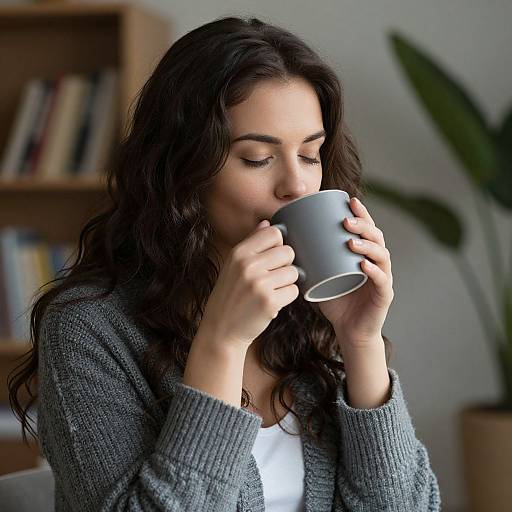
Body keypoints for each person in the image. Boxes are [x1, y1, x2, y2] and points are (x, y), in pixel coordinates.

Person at [8, 15, 441, 511]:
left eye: (311, 154)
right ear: (182, 168)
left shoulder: (312, 318)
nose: (297, 186)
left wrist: (360, 342)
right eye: (258, 158)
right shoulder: (90, 328)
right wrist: (222, 342)